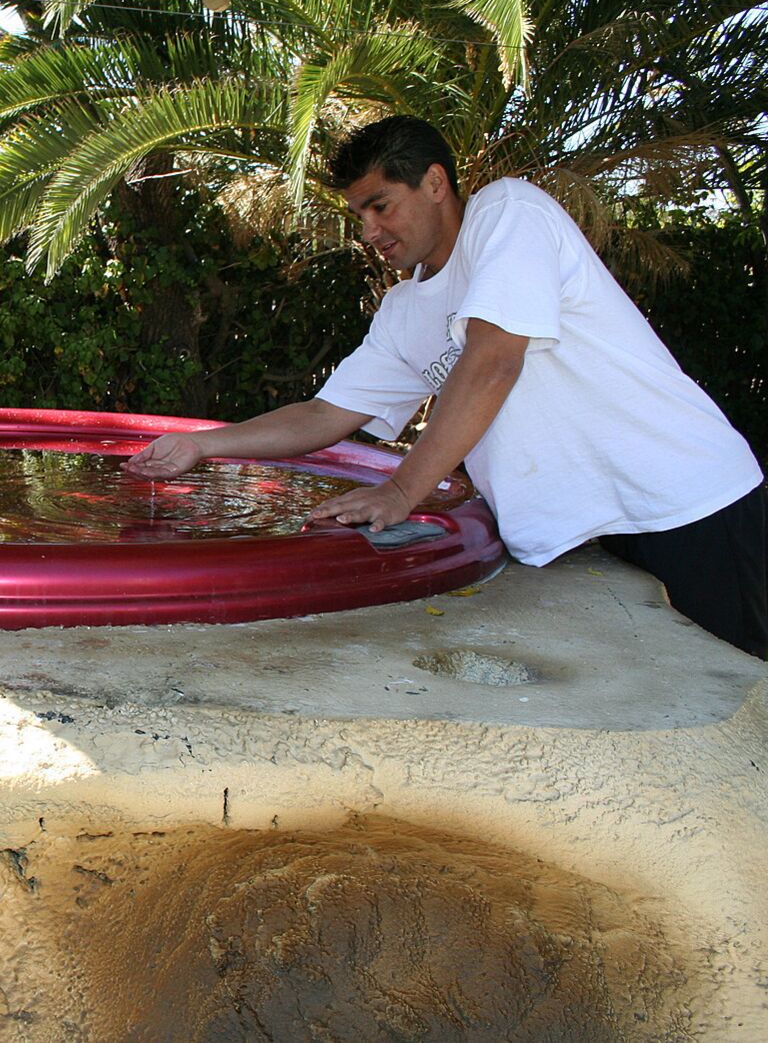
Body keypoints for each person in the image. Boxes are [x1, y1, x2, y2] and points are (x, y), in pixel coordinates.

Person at [127, 115, 766, 659]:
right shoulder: (404, 310)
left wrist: (402, 490)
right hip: (597, 533)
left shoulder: (508, 213)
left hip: (690, 500)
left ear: (435, 183)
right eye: (358, 214)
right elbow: (325, 413)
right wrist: (203, 446)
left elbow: (493, 361)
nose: (369, 230)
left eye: (381, 206)